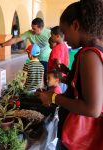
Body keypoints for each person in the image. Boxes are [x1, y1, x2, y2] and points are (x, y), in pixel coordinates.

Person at [37, 1, 103, 149]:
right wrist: (67, 72)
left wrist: (52, 97)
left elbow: (92, 109)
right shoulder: (96, 50)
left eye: (64, 32)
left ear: (75, 25)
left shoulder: (89, 54)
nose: (64, 39)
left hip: (82, 139)